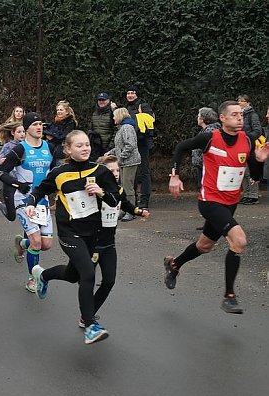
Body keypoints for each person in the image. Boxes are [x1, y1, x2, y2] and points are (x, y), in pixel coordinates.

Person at [165, 101, 269, 314]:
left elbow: (256, 177)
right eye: (234, 115)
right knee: (239, 240)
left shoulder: (247, 140)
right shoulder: (210, 138)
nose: (240, 118)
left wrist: (259, 161)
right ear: (222, 118)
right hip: (210, 201)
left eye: (241, 114)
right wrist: (174, 175)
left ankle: (174, 264)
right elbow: (181, 147)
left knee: (204, 246)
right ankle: (229, 296)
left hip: (231, 203)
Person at [26, 130, 121, 344]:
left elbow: (115, 200)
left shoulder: (101, 172)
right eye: (79, 146)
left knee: (73, 275)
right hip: (70, 232)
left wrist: (101, 192)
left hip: (93, 234)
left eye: (87, 144)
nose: (85, 148)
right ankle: (90, 325)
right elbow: (40, 190)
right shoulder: (60, 173)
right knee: (87, 273)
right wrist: (30, 203)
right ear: (68, 149)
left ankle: (43, 276)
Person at [90, 154, 150, 328]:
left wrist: (138, 211)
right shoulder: (94, 191)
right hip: (92, 242)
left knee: (109, 281)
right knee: (81, 279)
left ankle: (88, 315)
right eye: (111, 171)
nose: (116, 173)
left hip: (109, 243)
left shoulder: (119, 190)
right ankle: (45, 275)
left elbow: (124, 204)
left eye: (117, 170)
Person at [0, 112, 55, 292]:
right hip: (22, 199)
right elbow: (2, 173)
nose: (39, 127)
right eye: (35, 124)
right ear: (27, 128)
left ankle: (22, 244)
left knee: (46, 244)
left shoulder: (50, 147)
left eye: (41, 124)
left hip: (41, 200)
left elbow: (55, 172)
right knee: (37, 242)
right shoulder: (19, 149)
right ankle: (32, 278)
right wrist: (18, 184)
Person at [106, 107, 141, 221]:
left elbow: (130, 145)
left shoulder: (127, 127)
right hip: (124, 162)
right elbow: (120, 147)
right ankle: (125, 209)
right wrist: (110, 153)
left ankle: (131, 211)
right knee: (123, 186)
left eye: (114, 115)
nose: (113, 118)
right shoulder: (122, 128)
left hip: (129, 162)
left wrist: (120, 158)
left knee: (128, 187)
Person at [237, 95, 262, 205]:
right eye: (238, 100)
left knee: (250, 171)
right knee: (243, 171)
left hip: (250, 146)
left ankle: (253, 195)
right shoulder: (240, 115)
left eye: (241, 101)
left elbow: (258, 131)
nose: (239, 102)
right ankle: (247, 194)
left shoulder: (252, 115)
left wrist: (245, 137)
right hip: (240, 146)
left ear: (248, 103)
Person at [90, 92, 116, 158]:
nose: (101, 102)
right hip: (95, 147)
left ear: (108, 101)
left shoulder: (113, 113)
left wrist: (110, 146)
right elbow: (91, 128)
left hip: (108, 148)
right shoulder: (94, 113)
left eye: (103, 100)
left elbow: (116, 130)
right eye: (99, 100)